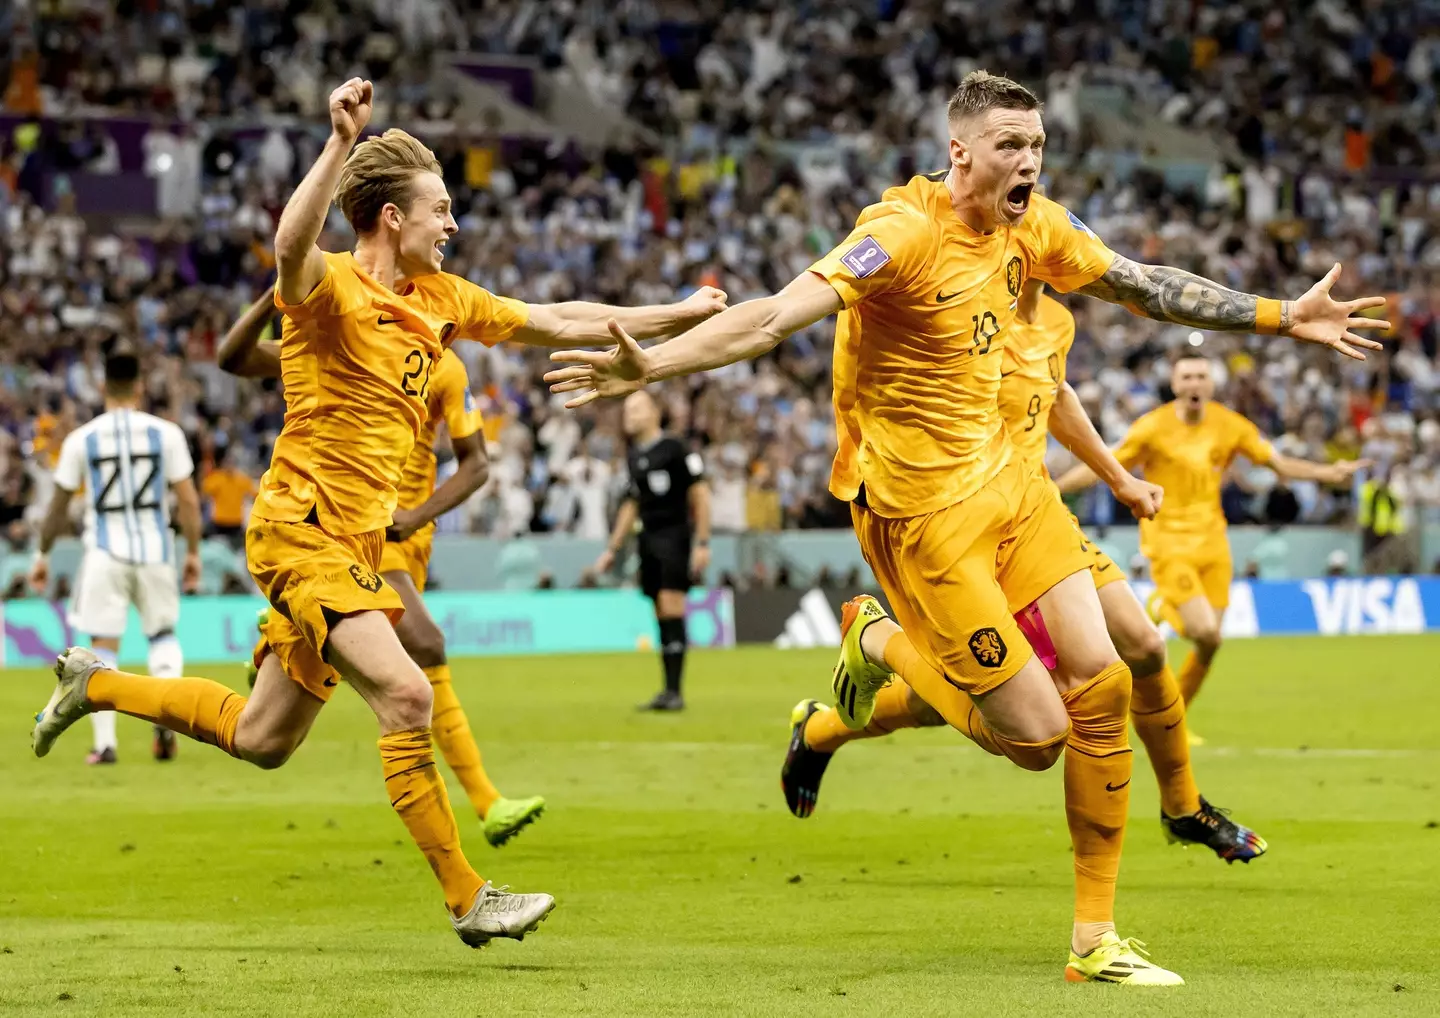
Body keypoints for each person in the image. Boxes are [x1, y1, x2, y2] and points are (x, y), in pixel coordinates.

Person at [545, 70, 1386, 983]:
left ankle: (1093, 942)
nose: (1029, 163)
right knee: (1033, 737)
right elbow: (776, 316)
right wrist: (654, 366)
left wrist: (1278, 315)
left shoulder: (1040, 230)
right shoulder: (900, 237)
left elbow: (1147, 286)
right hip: (923, 520)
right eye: (1010, 147)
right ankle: (880, 639)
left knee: (1102, 680)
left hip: (1015, 495)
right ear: (961, 152)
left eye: (1037, 146)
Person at [31, 78, 727, 948]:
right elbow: (290, 245)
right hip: (300, 530)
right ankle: (469, 899)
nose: (453, 224)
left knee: (262, 738)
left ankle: (92, 683)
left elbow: (555, 318)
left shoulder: (441, 301)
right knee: (405, 692)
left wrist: (674, 315)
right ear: (392, 218)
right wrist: (335, 144)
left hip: (355, 546)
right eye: (440, 209)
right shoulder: (327, 292)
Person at [780, 281, 1267, 864]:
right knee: (961, 707)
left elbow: (1056, 395)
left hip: (1040, 518)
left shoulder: (1057, 320)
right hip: (977, 529)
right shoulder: (964, 313)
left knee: (1143, 646)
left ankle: (1184, 807)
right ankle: (824, 727)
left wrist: (1119, 478)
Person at [218, 293, 548, 848]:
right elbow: (235, 357)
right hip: (350, 527)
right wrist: (273, 292)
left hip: (403, 536)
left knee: (277, 729)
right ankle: (487, 803)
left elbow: (477, 467)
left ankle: (283, 634)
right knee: (427, 645)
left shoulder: (445, 366)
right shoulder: (343, 339)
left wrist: (416, 516)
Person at [1056, 355, 1367, 714]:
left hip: (1214, 542)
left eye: (1201, 376)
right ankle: (1158, 606)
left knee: (1211, 643)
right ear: (1174, 385)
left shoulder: (1230, 425)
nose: (1194, 383)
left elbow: (1278, 463)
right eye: (1186, 376)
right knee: (1202, 629)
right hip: (1169, 540)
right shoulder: (1151, 428)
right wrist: (1057, 487)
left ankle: (1175, 717)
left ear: (1211, 384)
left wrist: (1328, 474)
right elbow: (1104, 464)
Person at [29, 343, 202, 764]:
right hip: (156, 550)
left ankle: (106, 745)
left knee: (102, 645)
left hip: (105, 552)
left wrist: (42, 553)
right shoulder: (167, 434)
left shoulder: (81, 440)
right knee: (161, 637)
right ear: (140, 387)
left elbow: (57, 506)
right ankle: (168, 722)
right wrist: (193, 550)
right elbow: (188, 501)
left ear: (103, 386)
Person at [593, 391, 711, 711]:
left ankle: (675, 691)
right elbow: (631, 504)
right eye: (627, 410)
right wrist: (612, 549)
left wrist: (702, 542)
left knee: (672, 604)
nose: (629, 415)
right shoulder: (634, 455)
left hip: (675, 537)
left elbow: (700, 494)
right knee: (659, 609)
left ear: (654, 413)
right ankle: (668, 690)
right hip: (647, 540)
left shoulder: (675, 448)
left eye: (636, 409)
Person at [201, 444, 256, 549]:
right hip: (219, 521)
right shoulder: (216, 478)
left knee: (239, 548)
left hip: (235, 522)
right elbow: (204, 494)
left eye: (231, 463)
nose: (229, 465)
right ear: (223, 464)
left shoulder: (242, 480)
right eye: (227, 462)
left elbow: (255, 494)